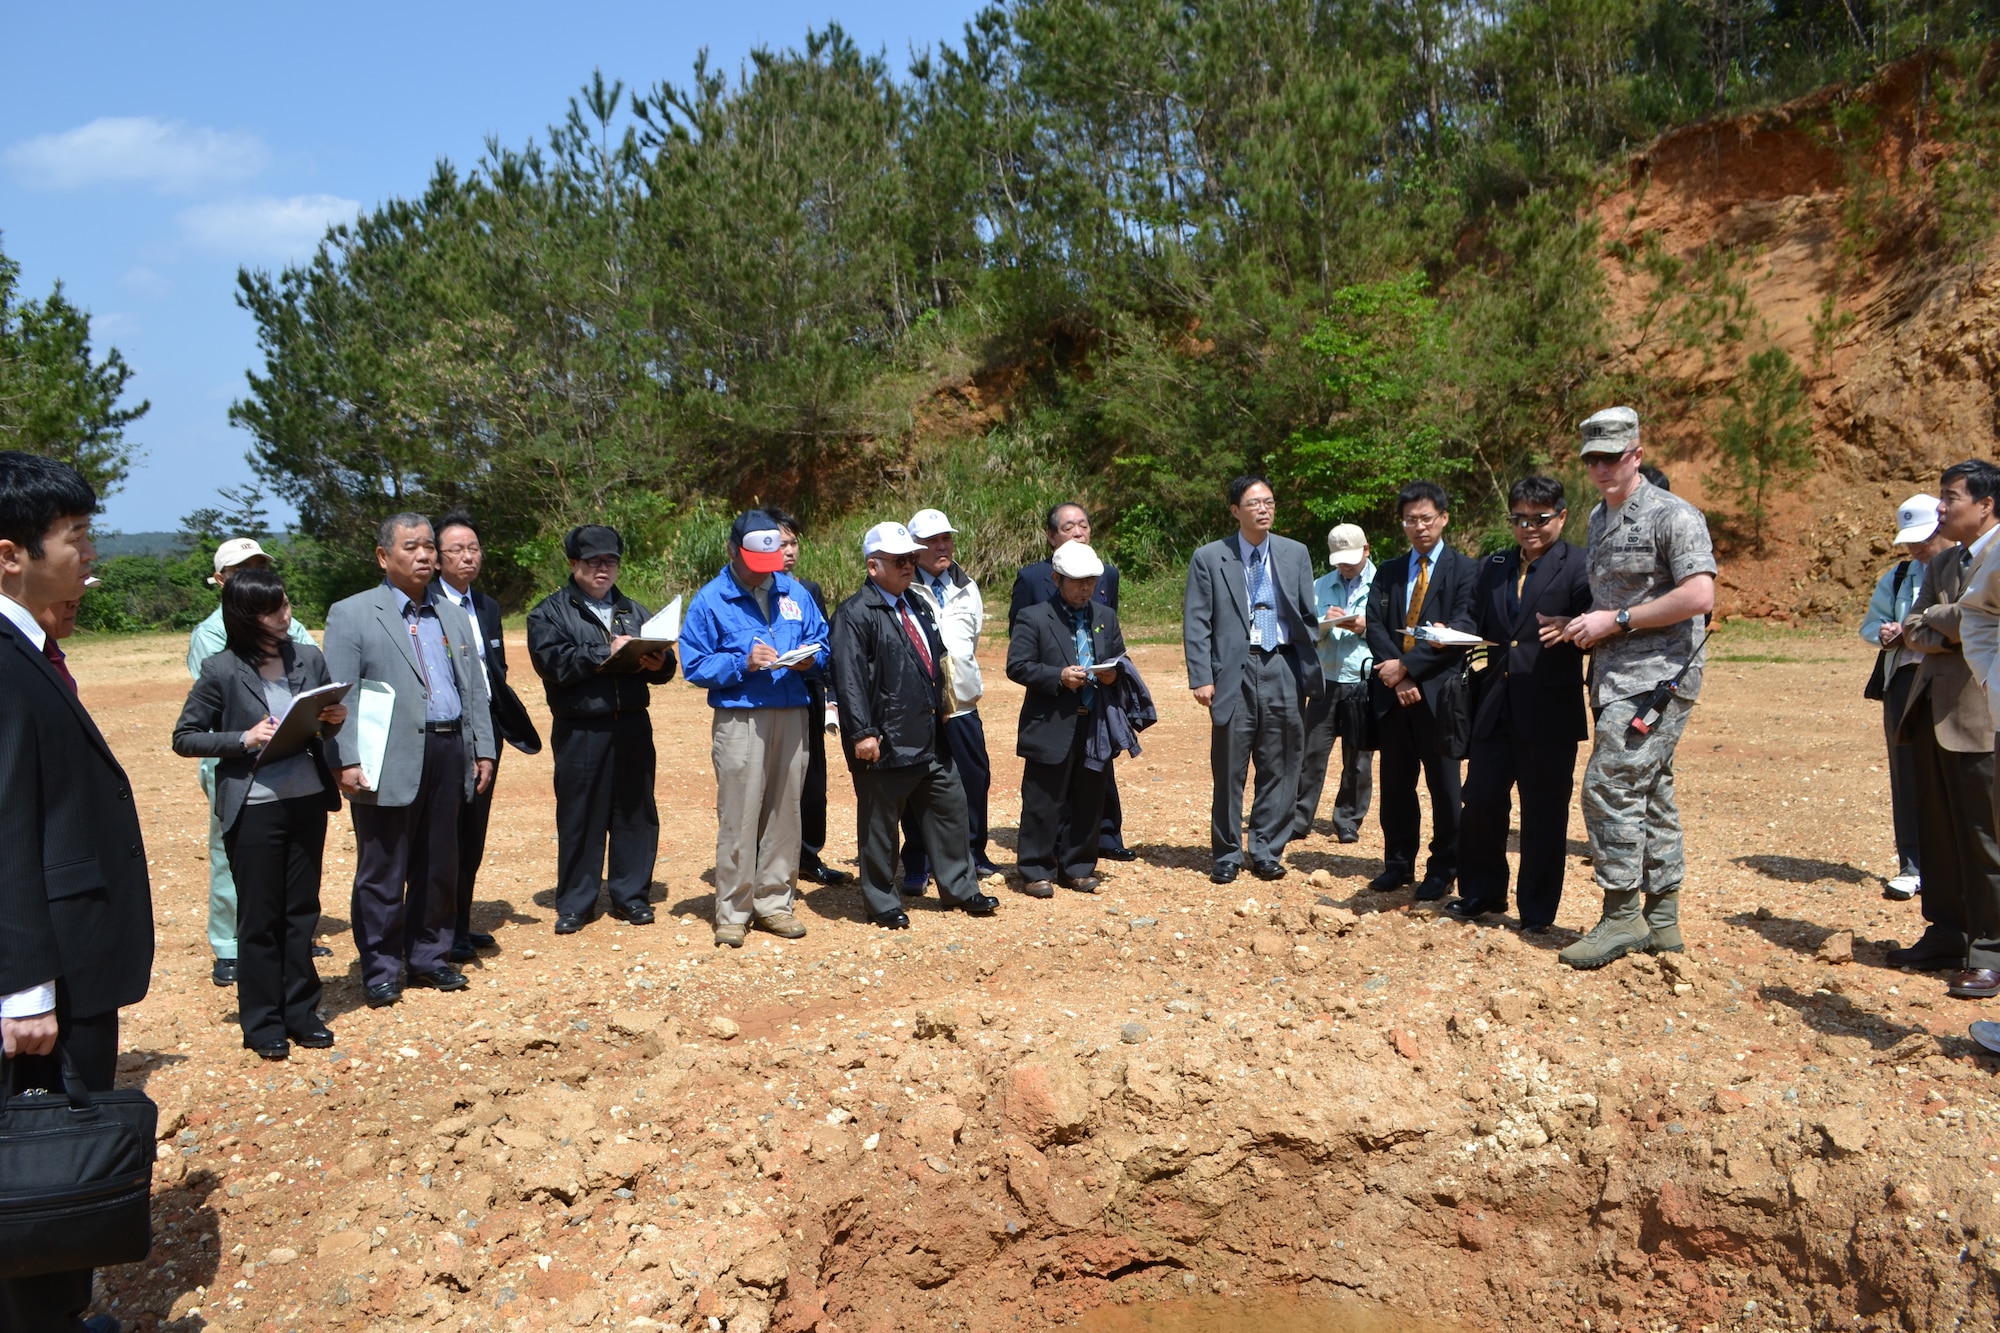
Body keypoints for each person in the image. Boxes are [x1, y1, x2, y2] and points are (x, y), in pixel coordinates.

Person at [0, 451, 153, 1333]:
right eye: (74, 536)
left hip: (61, 955)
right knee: (39, 1152)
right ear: (11, 553)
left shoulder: (31, 649)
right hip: (45, 966)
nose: (87, 554)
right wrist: (21, 984)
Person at [1555, 407, 1718, 969]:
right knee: (1651, 789)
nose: (1600, 468)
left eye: (1611, 457)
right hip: (1614, 675)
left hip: (1660, 676)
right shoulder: (1601, 517)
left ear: (1637, 455)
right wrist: (1586, 623)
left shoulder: (1673, 515)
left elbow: (1700, 595)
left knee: (1609, 786)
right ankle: (1663, 920)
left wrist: (1616, 620)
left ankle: (1622, 915)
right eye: (1591, 459)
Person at [322, 513, 496, 1007]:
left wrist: (482, 748)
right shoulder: (352, 613)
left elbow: (474, 691)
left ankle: (428, 957)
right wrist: (345, 758)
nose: (424, 556)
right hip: (384, 757)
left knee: (440, 862)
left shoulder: (453, 612)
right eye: (411, 547)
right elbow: (338, 697)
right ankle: (379, 968)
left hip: (448, 749)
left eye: (428, 547)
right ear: (384, 557)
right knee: (382, 868)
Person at [172, 567, 346, 1059]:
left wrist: (335, 719)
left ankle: (301, 1011)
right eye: (274, 611)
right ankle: (262, 1020)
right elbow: (185, 737)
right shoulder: (221, 670)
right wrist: (243, 739)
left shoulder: (309, 659)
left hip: (306, 799)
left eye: (286, 605)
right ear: (247, 617)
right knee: (260, 916)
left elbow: (323, 728)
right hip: (254, 807)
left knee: (301, 911)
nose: (286, 616)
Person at [829, 521, 999, 929]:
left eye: (910, 558)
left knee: (951, 808)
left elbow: (936, 662)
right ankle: (882, 901)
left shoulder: (917, 605)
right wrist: (862, 732)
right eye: (899, 560)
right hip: (884, 741)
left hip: (929, 735)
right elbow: (848, 678)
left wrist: (945, 707)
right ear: (873, 567)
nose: (909, 565)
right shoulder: (855, 614)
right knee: (880, 826)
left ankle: (960, 888)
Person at [1448, 477, 1594, 932]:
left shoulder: (1581, 566)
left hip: (1548, 711)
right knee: (1481, 802)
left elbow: (1597, 622)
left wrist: (1573, 625)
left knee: (1544, 814)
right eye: (1520, 519)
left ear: (1561, 516)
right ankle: (1483, 891)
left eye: (1540, 518)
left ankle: (1536, 910)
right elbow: (1471, 614)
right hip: (1494, 704)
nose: (1529, 527)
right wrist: (1450, 631)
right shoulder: (1494, 565)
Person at [680, 510, 828, 947]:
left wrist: (810, 660)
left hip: (792, 711)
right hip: (741, 716)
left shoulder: (794, 591)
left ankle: (775, 903)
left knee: (787, 813)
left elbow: (822, 641)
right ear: (732, 550)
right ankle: (733, 910)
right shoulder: (710, 599)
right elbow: (694, 663)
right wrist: (740, 664)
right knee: (740, 815)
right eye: (754, 563)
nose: (765, 573)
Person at [526, 524, 678, 935]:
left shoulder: (632, 610)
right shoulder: (549, 612)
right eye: (593, 561)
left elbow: (666, 669)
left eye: (610, 561)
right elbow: (553, 663)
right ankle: (576, 903)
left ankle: (631, 897)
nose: (603, 569)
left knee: (635, 811)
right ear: (573, 564)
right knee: (580, 814)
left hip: (631, 724)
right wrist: (603, 651)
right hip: (581, 729)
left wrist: (658, 662)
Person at [187, 536, 317, 987]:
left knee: (289, 865)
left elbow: (308, 672)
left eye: (260, 566)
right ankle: (229, 944)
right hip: (236, 757)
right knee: (230, 854)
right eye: (242, 571)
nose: (253, 576)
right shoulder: (210, 636)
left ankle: (287, 940)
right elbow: (218, 706)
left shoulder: (290, 625)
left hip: (293, 760)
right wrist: (248, 735)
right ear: (221, 581)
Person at [1184, 476, 1325, 885]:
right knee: (1230, 763)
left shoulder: (1294, 552)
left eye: (1269, 502)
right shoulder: (1210, 557)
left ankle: (1266, 848)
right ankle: (1227, 852)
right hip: (1235, 668)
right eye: (1254, 503)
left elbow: (1306, 615)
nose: (1264, 509)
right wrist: (1201, 676)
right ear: (1235, 511)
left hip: (1283, 664)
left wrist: (1306, 664)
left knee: (1281, 761)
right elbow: (1197, 620)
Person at [1900, 461, 2000, 998]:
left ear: (1986, 504)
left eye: (1951, 497)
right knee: (1938, 831)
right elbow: (1914, 626)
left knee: (1985, 838)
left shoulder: (1999, 556)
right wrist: (1946, 623)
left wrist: (1944, 620)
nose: (1941, 506)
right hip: (1935, 709)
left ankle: (1989, 949)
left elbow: (1973, 622)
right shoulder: (1944, 563)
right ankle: (1946, 930)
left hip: (1982, 717)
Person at [433, 509, 542, 964]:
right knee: (443, 833)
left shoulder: (489, 607)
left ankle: (459, 923)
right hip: (440, 730)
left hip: (484, 729)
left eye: (473, 548)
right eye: (455, 550)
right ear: (437, 558)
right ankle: (436, 928)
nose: (467, 557)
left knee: (473, 831)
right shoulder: (427, 606)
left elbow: (495, 671)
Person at [1364, 481, 1478, 898]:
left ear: (1443, 518)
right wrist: (1398, 676)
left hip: (1440, 695)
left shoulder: (1465, 570)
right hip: (1394, 696)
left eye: (1426, 518)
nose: (1419, 527)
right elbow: (1374, 625)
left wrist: (1408, 669)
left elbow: (1462, 629)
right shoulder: (1390, 571)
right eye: (1410, 520)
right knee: (1395, 784)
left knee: (1445, 787)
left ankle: (1444, 867)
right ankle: (1397, 863)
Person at [1009, 501, 1133, 861]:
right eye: (1078, 583)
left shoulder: (1104, 614)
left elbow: (1120, 656)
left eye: (1091, 583)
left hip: (1093, 719)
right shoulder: (1034, 613)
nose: (1086, 589)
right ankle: (1036, 868)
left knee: (1090, 794)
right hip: (1051, 717)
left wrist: (1113, 673)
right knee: (1043, 799)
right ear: (1057, 579)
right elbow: (1017, 664)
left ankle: (1079, 864)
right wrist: (1057, 676)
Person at [901, 507, 1002, 884]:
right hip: (918, 708)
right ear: (914, 548)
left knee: (974, 778)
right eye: (932, 541)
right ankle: (919, 861)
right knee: (916, 783)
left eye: (946, 539)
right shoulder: (904, 587)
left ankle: (974, 851)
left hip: (961, 704)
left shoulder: (967, 586)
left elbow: (969, 643)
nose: (942, 546)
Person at [1861, 494, 1946, 901]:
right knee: (1906, 774)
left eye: (1922, 539)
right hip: (1903, 680)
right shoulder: (1898, 576)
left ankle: (1952, 866)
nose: (1915, 549)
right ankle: (1911, 865)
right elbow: (1871, 622)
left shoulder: (1967, 571)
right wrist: (1882, 632)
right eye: (1910, 541)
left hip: (1947, 682)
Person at [765, 508, 853, 887]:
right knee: (771, 782)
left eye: (794, 543)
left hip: (809, 694)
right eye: (782, 543)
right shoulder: (749, 592)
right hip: (767, 698)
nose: (790, 551)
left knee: (812, 782)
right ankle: (766, 861)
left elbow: (825, 645)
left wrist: (832, 694)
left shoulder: (809, 591)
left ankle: (807, 856)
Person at [1291, 523, 1376, 844]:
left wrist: (1366, 627)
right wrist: (1324, 623)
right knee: (1312, 752)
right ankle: (1300, 818)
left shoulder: (1383, 585)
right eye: (1340, 560)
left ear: (1367, 549)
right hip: (1325, 679)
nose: (1346, 565)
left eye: (1352, 558)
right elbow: (1305, 631)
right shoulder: (1319, 585)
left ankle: (1348, 819)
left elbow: (1393, 631)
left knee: (1358, 759)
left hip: (1361, 680)